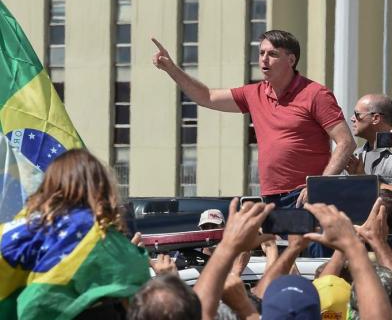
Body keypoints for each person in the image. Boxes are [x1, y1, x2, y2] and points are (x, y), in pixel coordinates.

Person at [152, 30, 355, 207]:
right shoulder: (253, 93)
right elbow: (206, 97)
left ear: (291, 60)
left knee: (311, 253)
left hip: (307, 196)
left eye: (272, 54)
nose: (264, 59)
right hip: (270, 197)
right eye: (261, 53)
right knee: (280, 253)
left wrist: (319, 185)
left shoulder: (316, 93)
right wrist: (171, 69)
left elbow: (346, 142)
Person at [0, 149, 150, 320]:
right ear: (100, 187)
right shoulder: (101, 235)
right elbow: (136, 284)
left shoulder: (13, 232)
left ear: (49, 184)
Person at [347, 94, 392, 228]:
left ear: (376, 118)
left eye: (357, 114)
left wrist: (365, 181)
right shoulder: (356, 156)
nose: (352, 118)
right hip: (361, 233)